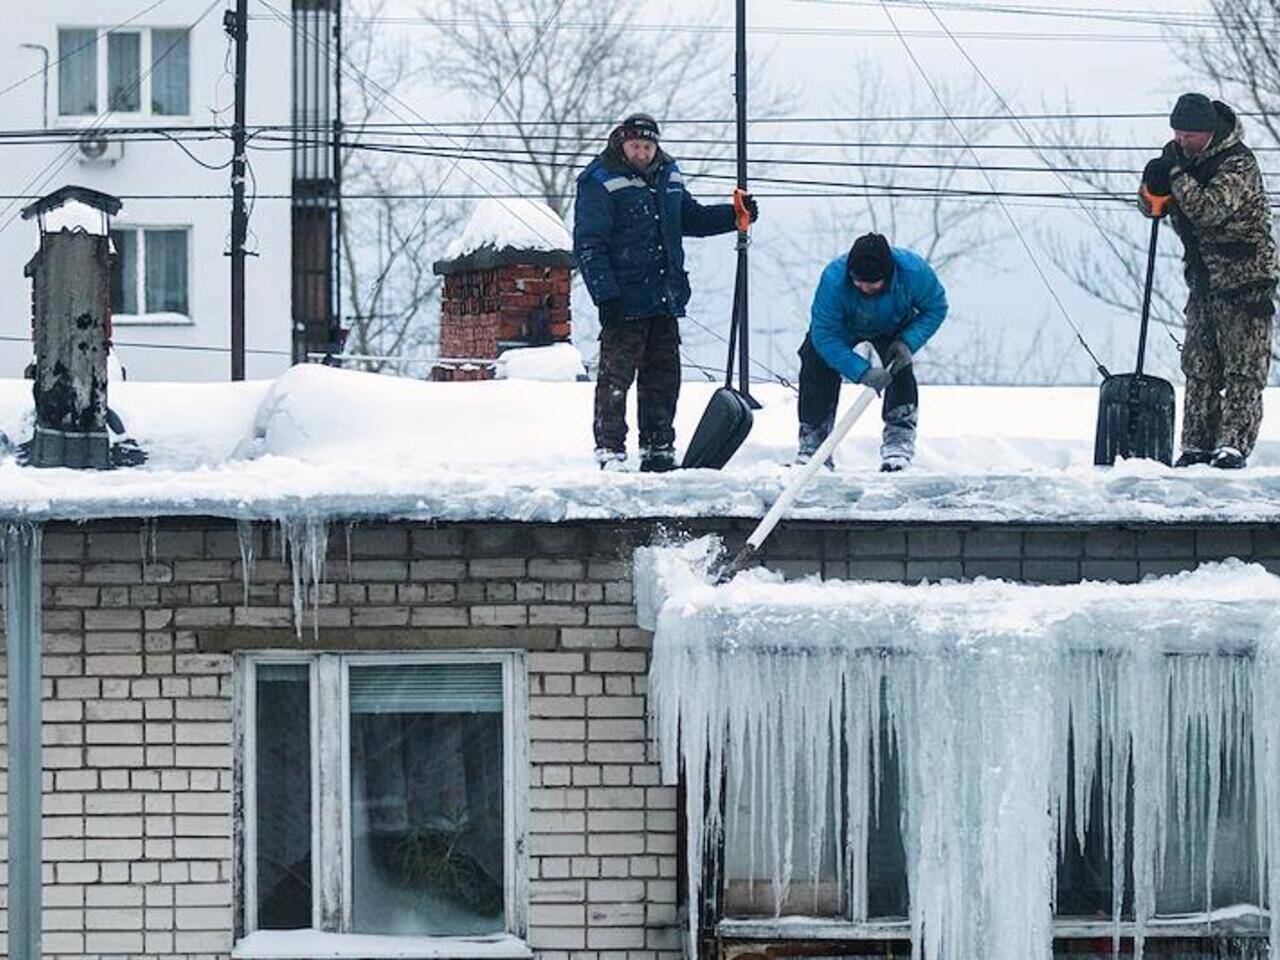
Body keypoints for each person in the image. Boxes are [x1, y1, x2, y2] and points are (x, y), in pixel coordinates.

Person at [574, 112, 757, 472]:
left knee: (663, 377)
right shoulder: (599, 179)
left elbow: (690, 219)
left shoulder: (669, 175)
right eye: (635, 146)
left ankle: (658, 446)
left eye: (647, 146)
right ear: (621, 144)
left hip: (664, 296)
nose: (642, 153)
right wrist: (605, 295)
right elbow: (588, 245)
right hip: (624, 300)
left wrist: (734, 216)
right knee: (616, 377)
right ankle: (610, 449)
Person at [1140, 93, 1278, 469]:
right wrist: (1152, 186)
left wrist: (1175, 175)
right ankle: (1196, 445)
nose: (1181, 141)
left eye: (1189, 135)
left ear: (1209, 132)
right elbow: (1155, 207)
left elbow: (1207, 210)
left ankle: (1233, 446)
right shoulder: (1177, 158)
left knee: (1243, 368)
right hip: (1203, 283)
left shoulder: (1238, 164)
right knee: (1199, 366)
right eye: (1177, 134)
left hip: (1246, 282)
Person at [797, 233, 947, 472]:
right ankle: (813, 444)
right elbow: (825, 335)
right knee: (815, 360)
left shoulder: (914, 272)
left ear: (888, 275)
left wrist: (908, 342)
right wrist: (862, 372)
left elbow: (936, 308)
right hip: (844, 328)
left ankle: (899, 443)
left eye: (873, 283)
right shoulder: (833, 280)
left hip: (894, 326)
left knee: (900, 369)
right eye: (859, 282)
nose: (865, 287)